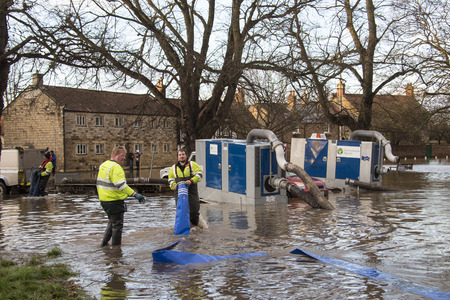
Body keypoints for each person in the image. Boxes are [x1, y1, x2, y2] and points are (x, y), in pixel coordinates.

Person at [96, 146, 146, 246]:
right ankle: (116, 251)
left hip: (104, 200)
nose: (124, 158)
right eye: (122, 156)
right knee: (117, 226)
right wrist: (135, 194)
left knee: (112, 222)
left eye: (125, 156)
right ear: (115, 155)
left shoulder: (104, 165)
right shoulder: (116, 167)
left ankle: (103, 245)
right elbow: (121, 185)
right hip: (114, 200)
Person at [168, 149, 203, 226]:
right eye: (180, 155)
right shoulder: (173, 168)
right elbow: (170, 180)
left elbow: (200, 175)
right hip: (179, 193)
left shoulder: (192, 165)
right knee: (181, 212)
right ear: (177, 157)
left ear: (186, 156)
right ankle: (183, 228)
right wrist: (173, 185)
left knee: (194, 211)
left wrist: (191, 180)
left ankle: (195, 228)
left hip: (192, 193)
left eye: (183, 154)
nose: (181, 156)